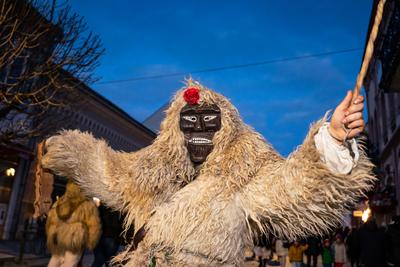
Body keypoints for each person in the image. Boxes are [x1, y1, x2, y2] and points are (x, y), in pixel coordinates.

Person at [42, 80, 373, 266]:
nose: (198, 128)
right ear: (175, 129)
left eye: (209, 122)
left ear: (225, 130)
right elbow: (112, 171)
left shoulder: (241, 177)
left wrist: (331, 140)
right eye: (190, 122)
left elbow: (292, 185)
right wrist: (70, 150)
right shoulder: (153, 170)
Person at [46, 181, 101, 267]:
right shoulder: (88, 205)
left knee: (54, 262)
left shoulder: (60, 201)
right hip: (75, 240)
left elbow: (50, 220)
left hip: (58, 238)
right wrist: (91, 242)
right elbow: (94, 226)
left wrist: (51, 234)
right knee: (70, 264)